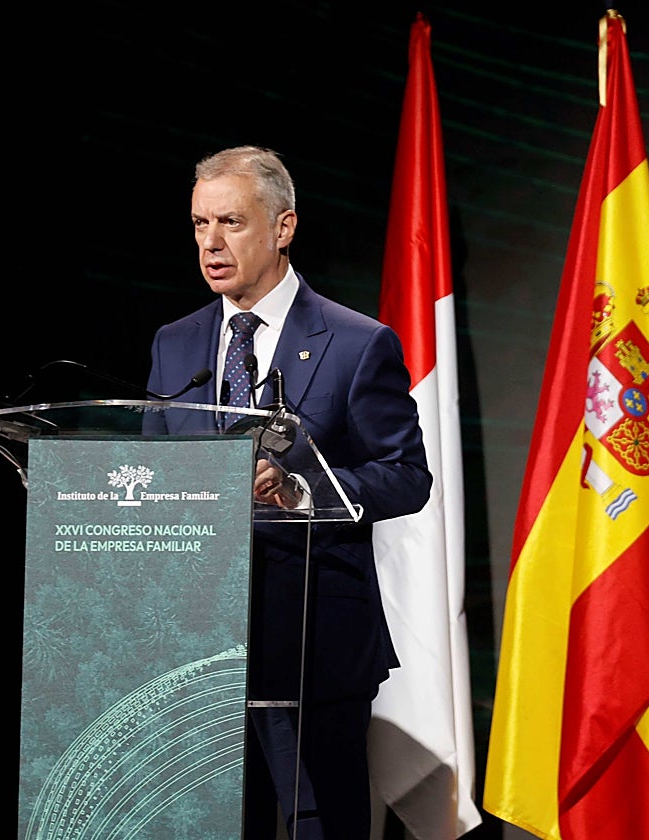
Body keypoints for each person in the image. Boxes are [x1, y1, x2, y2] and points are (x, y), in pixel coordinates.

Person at [143, 145, 432, 839]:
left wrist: (303, 489)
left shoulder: (358, 344)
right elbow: (153, 469)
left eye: (231, 223)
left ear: (283, 227)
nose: (210, 243)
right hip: (196, 644)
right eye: (198, 224)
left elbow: (407, 475)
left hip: (313, 641)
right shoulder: (174, 344)